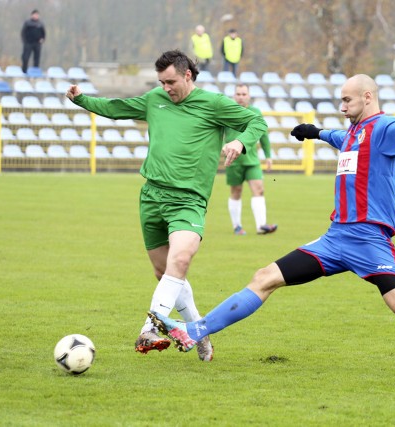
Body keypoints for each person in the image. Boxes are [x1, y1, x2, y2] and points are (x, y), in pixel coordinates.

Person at [149, 74, 395, 382]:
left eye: (347, 99)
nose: (342, 106)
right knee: (264, 277)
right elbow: (340, 137)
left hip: (369, 241)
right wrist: (316, 133)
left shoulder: (384, 128)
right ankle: (195, 331)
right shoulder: (352, 133)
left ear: (367, 97)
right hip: (334, 240)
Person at [65, 50, 267, 362]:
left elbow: (256, 120)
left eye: (170, 81)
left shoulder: (214, 104)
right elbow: (116, 108)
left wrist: (240, 141)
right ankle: (200, 330)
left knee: (181, 259)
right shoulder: (154, 99)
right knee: (165, 271)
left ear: (188, 75)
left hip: (188, 200)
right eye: (161, 82)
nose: (166, 88)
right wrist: (81, 99)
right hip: (151, 198)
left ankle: (149, 328)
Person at [225, 83, 277, 236]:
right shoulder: (227, 112)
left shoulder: (255, 112)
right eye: (238, 94)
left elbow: (264, 135)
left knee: (259, 189)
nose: (241, 97)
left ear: (248, 96)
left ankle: (261, 226)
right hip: (233, 160)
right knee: (236, 191)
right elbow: (218, 133)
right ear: (234, 96)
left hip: (252, 160)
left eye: (244, 94)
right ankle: (237, 226)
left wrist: (268, 156)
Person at [20, 9, 46, 73]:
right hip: (28, 43)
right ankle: (24, 71)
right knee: (25, 57)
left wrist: (42, 39)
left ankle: (35, 71)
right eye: (35, 14)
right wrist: (25, 41)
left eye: (37, 15)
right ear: (32, 15)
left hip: (37, 43)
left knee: (36, 59)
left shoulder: (40, 24)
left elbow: (43, 33)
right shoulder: (27, 23)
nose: (36, 16)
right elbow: (23, 32)